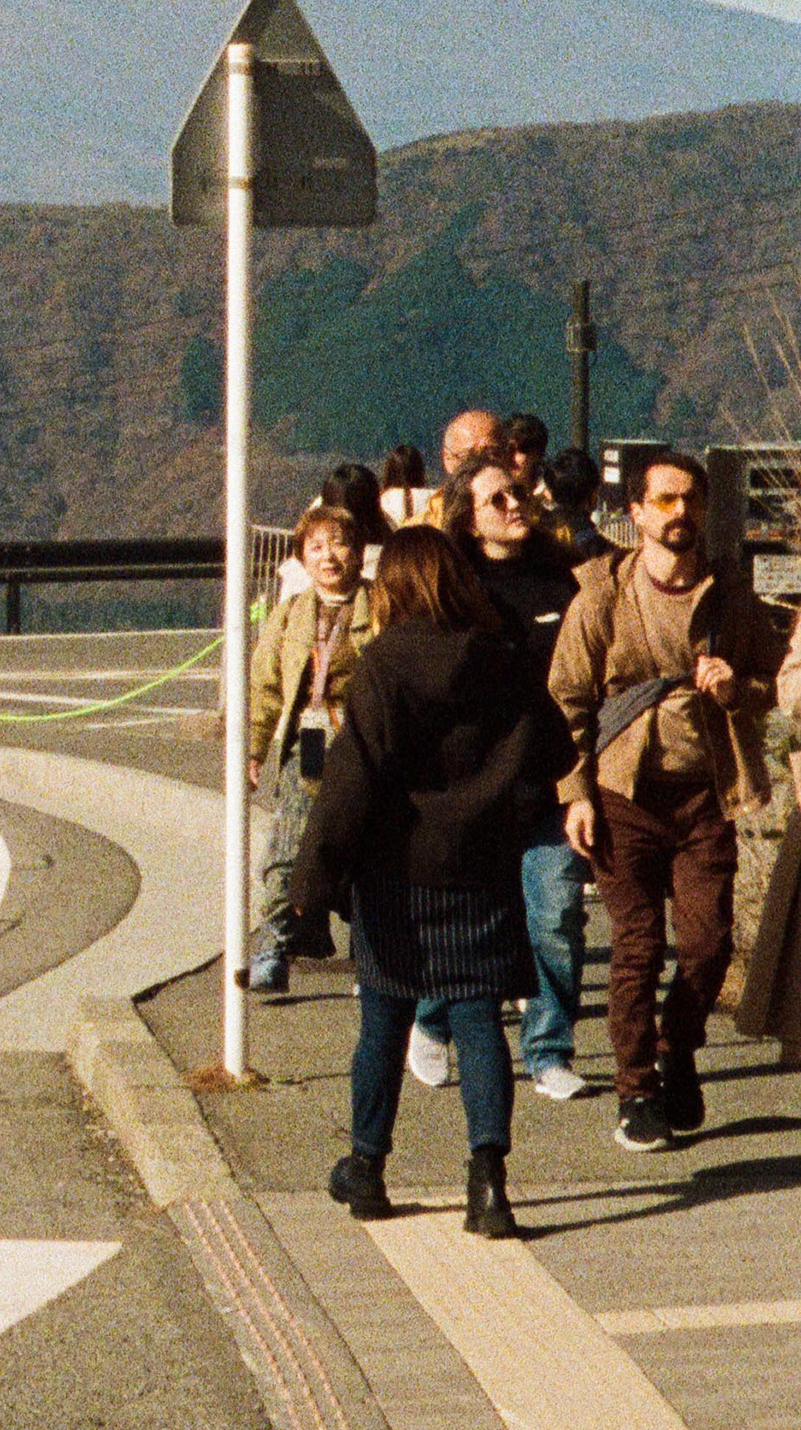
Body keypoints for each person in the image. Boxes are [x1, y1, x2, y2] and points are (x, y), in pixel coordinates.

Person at [293, 520, 559, 1235]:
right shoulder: (500, 659)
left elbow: (351, 781)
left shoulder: (383, 663)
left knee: (382, 1025)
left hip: (395, 871)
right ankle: (489, 1182)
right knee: (478, 1021)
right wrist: (505, 810)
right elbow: (549, 751)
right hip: (479, 870)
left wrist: (311, 884)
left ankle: (367, 1169)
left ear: (394, 587)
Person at [549, 446, 800, 1155]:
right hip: (622, 795)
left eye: (690, 498)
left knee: (708, 943)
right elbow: (566, 701)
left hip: (705, 794)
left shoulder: (730, 597)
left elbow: (771, 682)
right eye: (664, 499)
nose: (679, 511)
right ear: (635, 512)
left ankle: (677, 1046)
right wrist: (576, 793)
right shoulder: (602, 595)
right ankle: (636, 1091)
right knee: (636, 945)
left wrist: (736, 689)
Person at [461, 456, 591, 1098]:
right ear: (469, 517)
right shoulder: (458, 588)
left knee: (557, 917)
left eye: (518, 493)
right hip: (478, 789)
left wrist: (583, 783)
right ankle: (436, 1020)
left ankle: (548, 1048)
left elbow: (591, 680)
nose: (514, 504)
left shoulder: (561, 582)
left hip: (552, 783)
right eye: (496, 499)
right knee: (470, 922)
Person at [243, 492, 370, 996]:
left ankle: (370, 958)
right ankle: (274, 947)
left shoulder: (381, 606)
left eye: (339, 544)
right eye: (316, 547)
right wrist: (254, 749)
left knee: (364, 853)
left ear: (358, 551)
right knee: (288, 846)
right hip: (311, 742)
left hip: (364, 745)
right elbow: (265, 686)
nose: (328, 556)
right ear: (301, 557)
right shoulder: (290, 614)